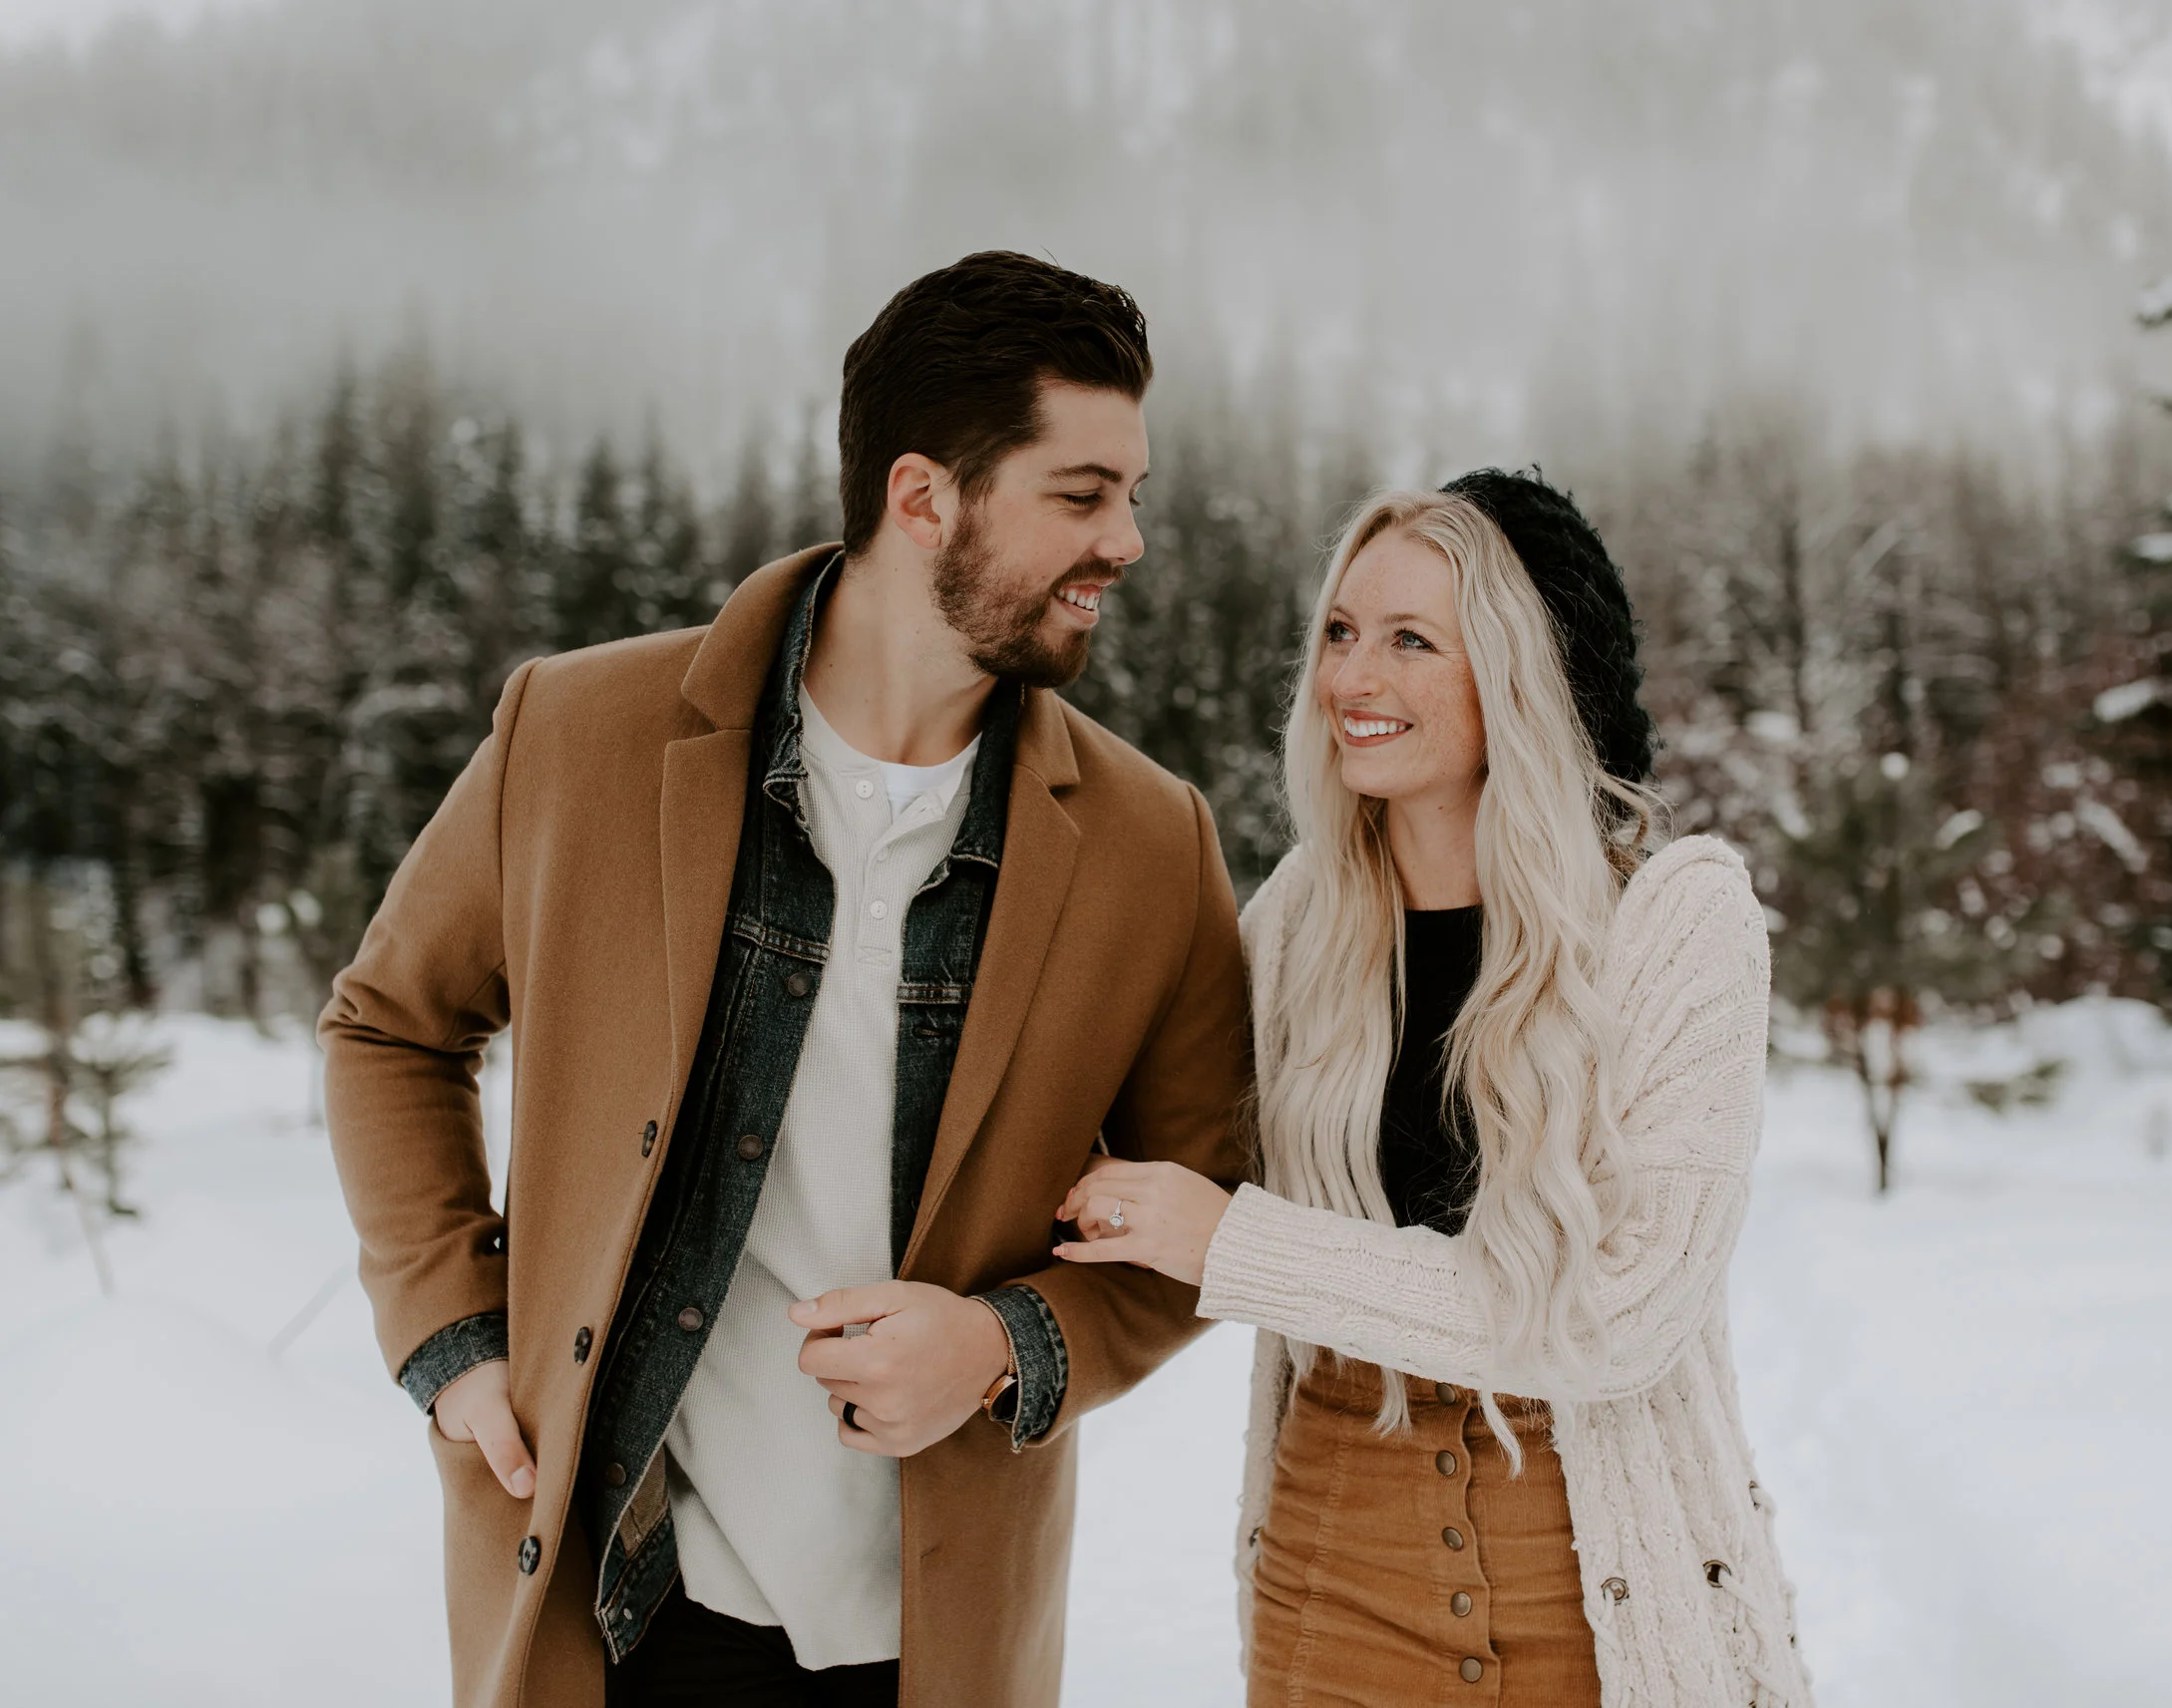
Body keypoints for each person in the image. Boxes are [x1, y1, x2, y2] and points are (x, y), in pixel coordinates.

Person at [322, 251, 1251, 1708]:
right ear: (923, 493)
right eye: (1082, 494)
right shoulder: (578, 734)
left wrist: (1008, 1344)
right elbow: (388, 1023)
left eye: (1133, 493)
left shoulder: (1150, 843)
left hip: (931, 1643)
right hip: (616, 1607)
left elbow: (1204, 1215)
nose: (1128, 539)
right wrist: (453, 1336)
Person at [1054, 473, 1814, 1707]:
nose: (1353, 680)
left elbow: (1619, 1312)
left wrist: (1235, 1241)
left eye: (1412, 640)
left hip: (1597, 1579)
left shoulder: (1672, 920)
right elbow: (1138, 1142)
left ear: (1525, 673)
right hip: (1333, 1559)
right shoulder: (1299, 924)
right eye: (1341, 633)